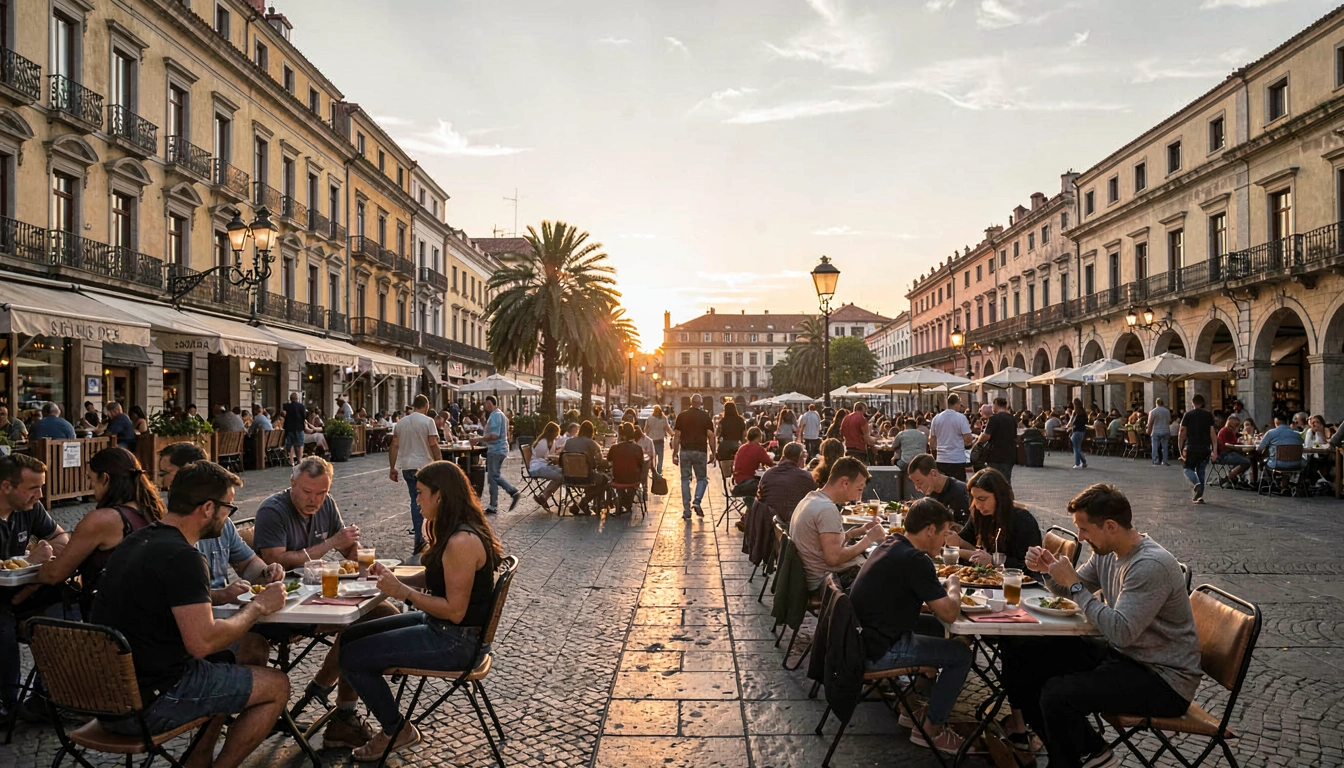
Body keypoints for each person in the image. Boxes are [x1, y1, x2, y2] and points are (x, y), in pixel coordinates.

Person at [90, 461, 291, 767]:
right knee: (278, 685)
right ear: (208, 508)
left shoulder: (136, 541)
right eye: (229, 508)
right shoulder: (184, 558)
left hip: (104, 696)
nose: (229, 517)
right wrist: (258, 607)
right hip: (148, 702)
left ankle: (198, 759)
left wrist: (222, 596)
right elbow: (202, 642)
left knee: (224, 661)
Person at [998, 484, 1201, 768]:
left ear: (1110, 526)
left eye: (1084, 529)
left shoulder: (1149, 565)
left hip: (1163, 678)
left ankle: (1069, 760)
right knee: (1023, 660)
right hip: (1124, 656)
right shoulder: (1107, 552)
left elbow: (1121, 631)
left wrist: (1076, 584)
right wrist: (1048, 571)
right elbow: (1069, 590)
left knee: (1058, 695)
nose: (1081, 537)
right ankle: (1092, 750)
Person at [339, 460, 506, 760]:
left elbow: (454, 611)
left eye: (420, 493)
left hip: (456, 640)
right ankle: (350, 718)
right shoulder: (457, 530)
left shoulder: (461, 541)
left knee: (352, 657)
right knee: (350, 637)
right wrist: (393, 578)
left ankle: (395, 729)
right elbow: (439, 577)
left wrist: (401, 592)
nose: (416, 500)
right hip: (447, 629)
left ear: (439, 496)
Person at [253, 457, 397, 745]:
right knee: (364, 623)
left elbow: (346, 550)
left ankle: (336, 703)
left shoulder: (326, 503)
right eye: (307, 491)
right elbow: (275, 560)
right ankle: (338, 709)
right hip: (283, 608)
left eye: (321, 493)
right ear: (292, 483)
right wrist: (331, 543)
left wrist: (357, 551)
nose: (314, 500)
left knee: (381, 615)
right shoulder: (273, 510)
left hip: (319, 599)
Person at [850, 498, 972, 755]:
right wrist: (954, 585)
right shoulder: (916, 560)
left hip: (859, 639)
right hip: (877, 650)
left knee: (936, 629)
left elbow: (907, 599)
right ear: (930, 530)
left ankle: (909, 706)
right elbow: (950, 613)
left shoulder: (892, 543)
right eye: (945, 533)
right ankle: (931, 729)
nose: (945, 540)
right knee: (961, 655)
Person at [31, 446, 164, 616]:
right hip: (147, 610)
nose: (90, 485)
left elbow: (56, 573)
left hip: (110, 616)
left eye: (91, 478)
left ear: (105, 478)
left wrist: (33, 564)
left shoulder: (102, 520)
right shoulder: (151, 510)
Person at [0, 455, 69, 717]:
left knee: (67, 605)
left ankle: (47, 695)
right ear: (6, 486)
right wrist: (30, 560)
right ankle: (8, 701)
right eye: (33, 488)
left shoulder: (29, 509)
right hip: (3, 599)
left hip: (23, 590)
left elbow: (60, 535)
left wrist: (50, 549)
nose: (40, 495)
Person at [788, 457, 886, 592]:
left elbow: (822, 544)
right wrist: (869, 539)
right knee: (890, 571)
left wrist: (854, 533)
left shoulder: (811, 498)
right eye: (859, 489)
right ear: (845, 483)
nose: (859, 496)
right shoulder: (826, 509)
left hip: (817, 575)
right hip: (827, 582)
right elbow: (833, 558)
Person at [945, 467, 1041, 573]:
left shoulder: (1022, 520)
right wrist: (956, 541)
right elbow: (967, 544)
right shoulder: (980, 515)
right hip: (987, 580)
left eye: (982, 499)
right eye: (974, 498)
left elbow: (1030, 566)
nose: (977, 505)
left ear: (999, 497)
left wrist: (993, 561)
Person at [390, 394, 444, 552]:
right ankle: (427, 538)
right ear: (426, 407)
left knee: (415, 500)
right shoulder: (428, 421)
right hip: (424, 466)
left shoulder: (401, 422)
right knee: (431, 500)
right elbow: (433, 444)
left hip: (407, 466)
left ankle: (420, 539)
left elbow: (394, 445)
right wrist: (440, 463)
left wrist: (392, 467)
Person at [471, 396, 520, 514]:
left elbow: (494, 435)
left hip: (497, 449)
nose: (485, 406)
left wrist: (478, 439)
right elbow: (490, 431)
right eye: (485, 404)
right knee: (492, 478)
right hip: (496, 449)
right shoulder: (497, 415)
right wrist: (483, 421)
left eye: (487, 403)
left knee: (494, 476)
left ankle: (513, 491)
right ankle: (493, 505)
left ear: (492, 403)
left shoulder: (496, 416)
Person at [672, 394, 716, 519]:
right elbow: (711, 436)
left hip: (685, 451)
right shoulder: (705, 416)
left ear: (691, 403)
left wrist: (675, 453)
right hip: (700, 452)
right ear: (700, 403)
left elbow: (677, 436)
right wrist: (713, 452)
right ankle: (697, 500)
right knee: (702, 478)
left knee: (685, 480)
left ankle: (686, 511)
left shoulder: (681, 416)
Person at [755, 442, 816, 526]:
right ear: (800, 458)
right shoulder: (807, 477)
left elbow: (760, 498)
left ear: (783, 457)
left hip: (768, 525)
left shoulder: (768, 474)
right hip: (795, 524)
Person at [905, 453, 972, 524]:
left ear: (933, 474)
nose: (917, 488)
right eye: (914, 484)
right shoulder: (931, 493)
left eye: (920, 482)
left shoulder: (960, 492)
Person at [561, 421, 610, 514]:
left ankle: (581, 504)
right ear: (592, 432)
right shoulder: (591, 443)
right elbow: (599, 461)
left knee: (595, 480)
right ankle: (583, 503)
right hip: (586, 477)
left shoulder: (568, 441)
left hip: (568, 477)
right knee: (605, 481)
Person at [1178, 393, 1218, 503]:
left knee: (1187, 469)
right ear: (1203, 403)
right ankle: (1199, 496)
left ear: (1193, 403)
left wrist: (1180, 448)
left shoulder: (1188, 415)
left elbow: (1182, 432)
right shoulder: (1208, 415)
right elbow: (1212, 433)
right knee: (1201, 471)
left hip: (1192, 447)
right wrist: (1214, 449)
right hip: (1205, 448)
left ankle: (1196, 484)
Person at [930, 394, 972, 481]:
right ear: (956, 403)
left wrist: (935, 455)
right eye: (960, 404)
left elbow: (932, 441)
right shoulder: (961, 418)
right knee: (959, 487)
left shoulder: (936, 418)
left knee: (943, 486)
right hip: (957, 459)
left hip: (941, 458)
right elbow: (968, 439)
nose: (960, 407)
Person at [975, 397, 1018, 482]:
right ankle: (1006, 495)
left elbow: (986, 436)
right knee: (1006, 480)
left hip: (995, 454)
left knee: (994, 480)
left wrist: (978, 440)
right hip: (1009, 454)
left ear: (995, 405)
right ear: (1005, 406)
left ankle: (996, 495)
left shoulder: (994, 418)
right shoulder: (1012, 419)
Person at [607, 423, 646, 515]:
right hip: (634, 479)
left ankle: (622, 502)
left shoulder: (614, 448)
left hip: (618, 478)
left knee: (611, 479)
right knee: (632, 479)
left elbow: (608, 459)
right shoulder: (638, 448)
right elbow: (641, 463)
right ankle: (627, 503)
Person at [528, 422, 566, 507]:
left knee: (564, 473)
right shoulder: (543, 442)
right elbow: (541, 456)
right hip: (538, 466)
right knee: (559, 477)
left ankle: (544, 496)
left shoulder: (551, 442)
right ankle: (545, 495)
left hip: (546, 465)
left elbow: (551, 454)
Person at [731, 426, 774, 498]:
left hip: (737, 481)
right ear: (758, 437)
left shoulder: (742, 447)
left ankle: (750, 507)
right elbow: (770, 464)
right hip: (748, 483)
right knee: (769, 487)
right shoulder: (758, 449)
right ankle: (758, 507)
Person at [1215, 415, 1252, 488]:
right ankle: (1229, 477)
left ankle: (1232, 478)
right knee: (1246, 462)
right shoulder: (1228, 431)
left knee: (1245, 458)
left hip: (1223, 453)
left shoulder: (1226, 430)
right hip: (1224, 454)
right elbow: (1231, 445)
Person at [644, 405, 672, 474]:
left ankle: (654, 472)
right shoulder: (663, 419)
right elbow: (667, 429)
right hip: (660, 441)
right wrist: (672, 434)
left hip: (652, 441)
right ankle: (659, 472)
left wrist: (646, 436)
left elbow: (645, 430)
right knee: (660, 457)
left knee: (653, 457)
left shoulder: (649, 419)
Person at [282, 392, 307, 465]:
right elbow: (304, 416)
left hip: (289, 428)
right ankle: (299, 460)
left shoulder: (287, 407)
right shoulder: (301, 406)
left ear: (290, 399)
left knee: (292, 444)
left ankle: (292, 460)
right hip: (299, 427)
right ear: (297, 398)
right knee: (299, 444)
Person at [1148, 398, 1173, 466]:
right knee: (1165, 447)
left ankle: (1155, 460)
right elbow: (1169, 421)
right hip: (1165, 430)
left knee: (1155, 446)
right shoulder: (1167, 411)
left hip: (1156, 430)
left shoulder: (1153, 411)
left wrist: (1148, 431)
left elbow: (1150, 422)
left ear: (1156, 403)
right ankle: (1164, 461)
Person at [1069, 397, 1090, 470]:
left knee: (1076, 448)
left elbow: (1073, 423)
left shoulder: (1076, 413)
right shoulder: (1084, 412)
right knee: (1078, 447)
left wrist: (1071, 416)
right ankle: (1083, 462)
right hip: (1082, 431)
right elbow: (1086, 421)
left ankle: (1078, 463)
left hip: (1076, 431)